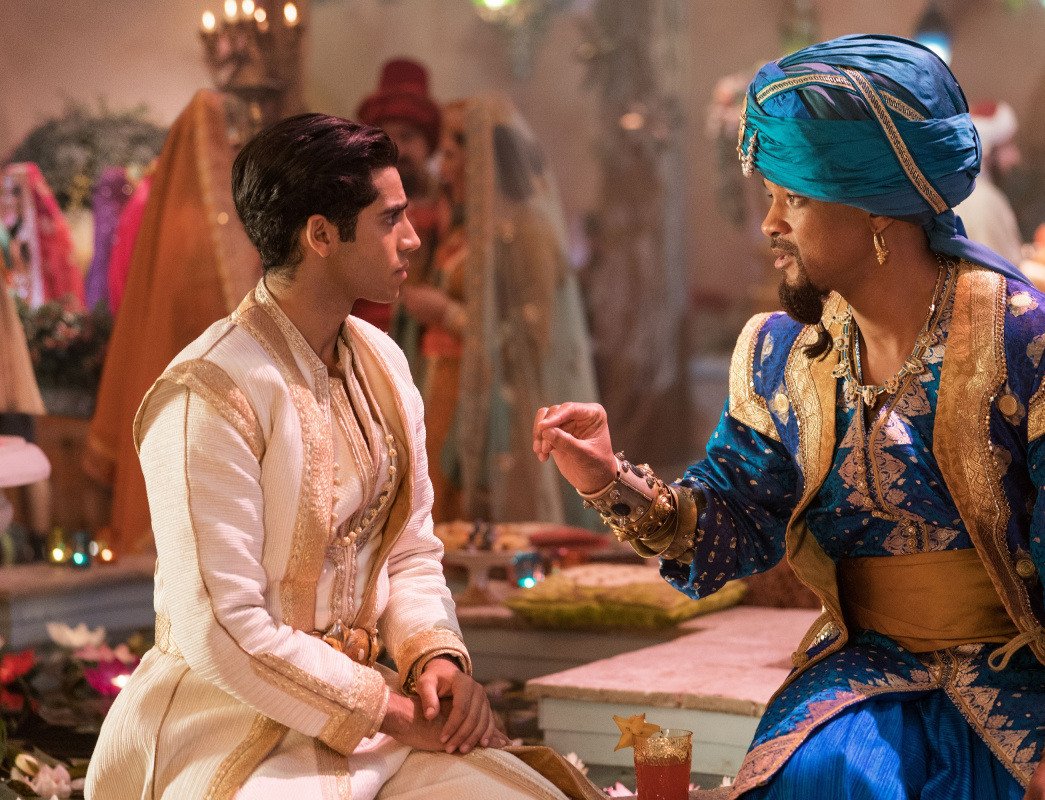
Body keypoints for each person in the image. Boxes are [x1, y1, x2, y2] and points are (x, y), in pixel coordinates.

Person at [535, 34, 1045, 800]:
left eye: (793, 198)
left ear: (876, 211)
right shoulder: (783, 355)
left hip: (1016, 689)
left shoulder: (1019, 341)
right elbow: (731, 524)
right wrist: (608, 480)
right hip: (864, 682)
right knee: (830, 773)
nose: (769, 223)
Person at [85, 113, 592, 800]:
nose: (412, 238)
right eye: (390, 220)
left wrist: (434, 660)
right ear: (320, 235)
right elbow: (220, 628)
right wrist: (386, 708)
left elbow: (410, 550)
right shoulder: (209, 392)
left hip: (381, 720)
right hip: (232, 725)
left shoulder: (382, 361)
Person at [83, 90, 262, 555]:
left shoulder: (170, 220)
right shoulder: (213, 231)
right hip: (215, 393)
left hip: (173, 390)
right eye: (232, 139)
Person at [409, 95, 599, 525]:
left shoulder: (527, 232)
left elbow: (531, 340)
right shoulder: (464, 229)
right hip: (442, 386)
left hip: (500, 403)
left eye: (453, 152)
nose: (443, 166)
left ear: (483, 159)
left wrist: (449, 315)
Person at [355, 57, 443, 349]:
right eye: (387, 138)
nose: (397, 149)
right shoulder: (354, 203)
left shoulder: (449, 205)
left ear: (428, 143)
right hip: (361, 341)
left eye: (407, 137)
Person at [0, 163, 84, 310]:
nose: (8, 199)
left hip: (45, 304)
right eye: (4, 192)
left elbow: (59, 277)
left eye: (15, 192)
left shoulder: (50, 231)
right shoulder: (11, 229)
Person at [954, 101, 1025, 266]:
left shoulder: (968, 192)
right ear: (987, 152)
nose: (1015, 158)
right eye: (1008, 145)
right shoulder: (983, 200)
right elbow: (998, 275)